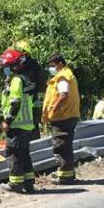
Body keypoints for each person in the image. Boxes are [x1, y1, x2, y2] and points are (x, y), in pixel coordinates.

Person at [0, 48, 35, 193]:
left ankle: (15, 183)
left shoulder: (16, 81)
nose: (5, 70)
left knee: (12, 153)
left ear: (14, 66)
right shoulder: (23, 80)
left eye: (6, 67)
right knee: (24, 153)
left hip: (16, 124)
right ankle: (28, 182)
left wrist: (7, 121)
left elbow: (15, 103)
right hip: (25, 124)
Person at [42, 53, 80, 185]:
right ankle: (68, 173)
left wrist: (54, 109)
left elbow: (63, 94)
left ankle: (65, 176)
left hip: (63, 117)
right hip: (68, 115)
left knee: (61, 147)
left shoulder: (62, 76)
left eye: (52, 64)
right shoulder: (67, 74)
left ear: (60, 64)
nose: (51, 67)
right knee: (66, 146)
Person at [12, 40, 46, 141]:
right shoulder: (18, 66)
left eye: (21, 54)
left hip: (32, 105)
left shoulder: (35, 67)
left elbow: (41, 87)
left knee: (33, 131)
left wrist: (37, 106)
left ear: (27, 53)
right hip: (20, 105)